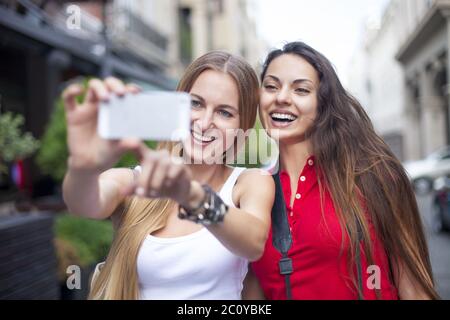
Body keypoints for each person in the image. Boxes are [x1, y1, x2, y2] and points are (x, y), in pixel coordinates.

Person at [62, 51, 274, 300]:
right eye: (196, 103)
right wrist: (82, 166)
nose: (204, 123)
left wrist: (192, 196)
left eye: (224, 112)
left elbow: (253, 243)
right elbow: (83, 203)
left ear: (244, 129)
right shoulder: (136, 180)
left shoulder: (249, 182)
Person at [245, 42, 439, 300]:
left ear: (323, 102)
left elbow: (414, 287)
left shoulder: (373, 175)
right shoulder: (250, 189)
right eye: (271, 86)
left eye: (301, 89)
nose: (281, 97)